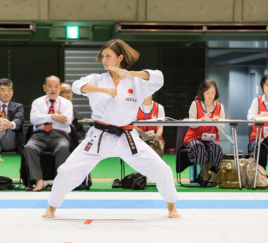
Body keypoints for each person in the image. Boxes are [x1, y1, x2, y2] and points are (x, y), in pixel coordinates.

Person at [43, 39, 180, 219]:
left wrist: (130, 73)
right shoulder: (97, 79)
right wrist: (105, 91)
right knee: (68, 170)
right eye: (103, 56)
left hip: (127, 137)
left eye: (109, 56)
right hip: (100, 136)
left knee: (162, 169)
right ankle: (52, 207)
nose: (105, 60)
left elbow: (158, 77)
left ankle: (171, 206)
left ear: (120, 57)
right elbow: (77, 86)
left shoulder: (136, 82)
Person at [24, 75, 73, 191]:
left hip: (59, 135)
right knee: (29, 148)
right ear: (44, 88)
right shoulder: (38, 102)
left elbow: (67, 121)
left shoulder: (66, 103)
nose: (53, 89)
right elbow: (34, 120)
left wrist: (44, 118)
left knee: (63, 147)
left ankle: (58, 182)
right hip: (39, 135)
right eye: (50, 86)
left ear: (59, 88)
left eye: (56, 86)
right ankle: (38, 181)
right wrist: (53, 117)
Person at [183, 80, 225, 186]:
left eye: (212, 92)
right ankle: (206, 175)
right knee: (198, 146)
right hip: (194, 137)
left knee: (217, 148)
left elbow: (223, 126)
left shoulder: (220, 106)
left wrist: (217, 121)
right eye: (207, 93)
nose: (210, 95)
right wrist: (201, 120)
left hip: (211, 138)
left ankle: (203, 173)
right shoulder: (195, 104)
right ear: (202, 93)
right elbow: (191, 124)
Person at [247, 74, 268, 171]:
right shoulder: (257, 101)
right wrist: (260, 116)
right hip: (259, 138)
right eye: (267, 84)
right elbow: (249, 119)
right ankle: (260, 177)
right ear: (263, 87)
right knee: (261, 147)